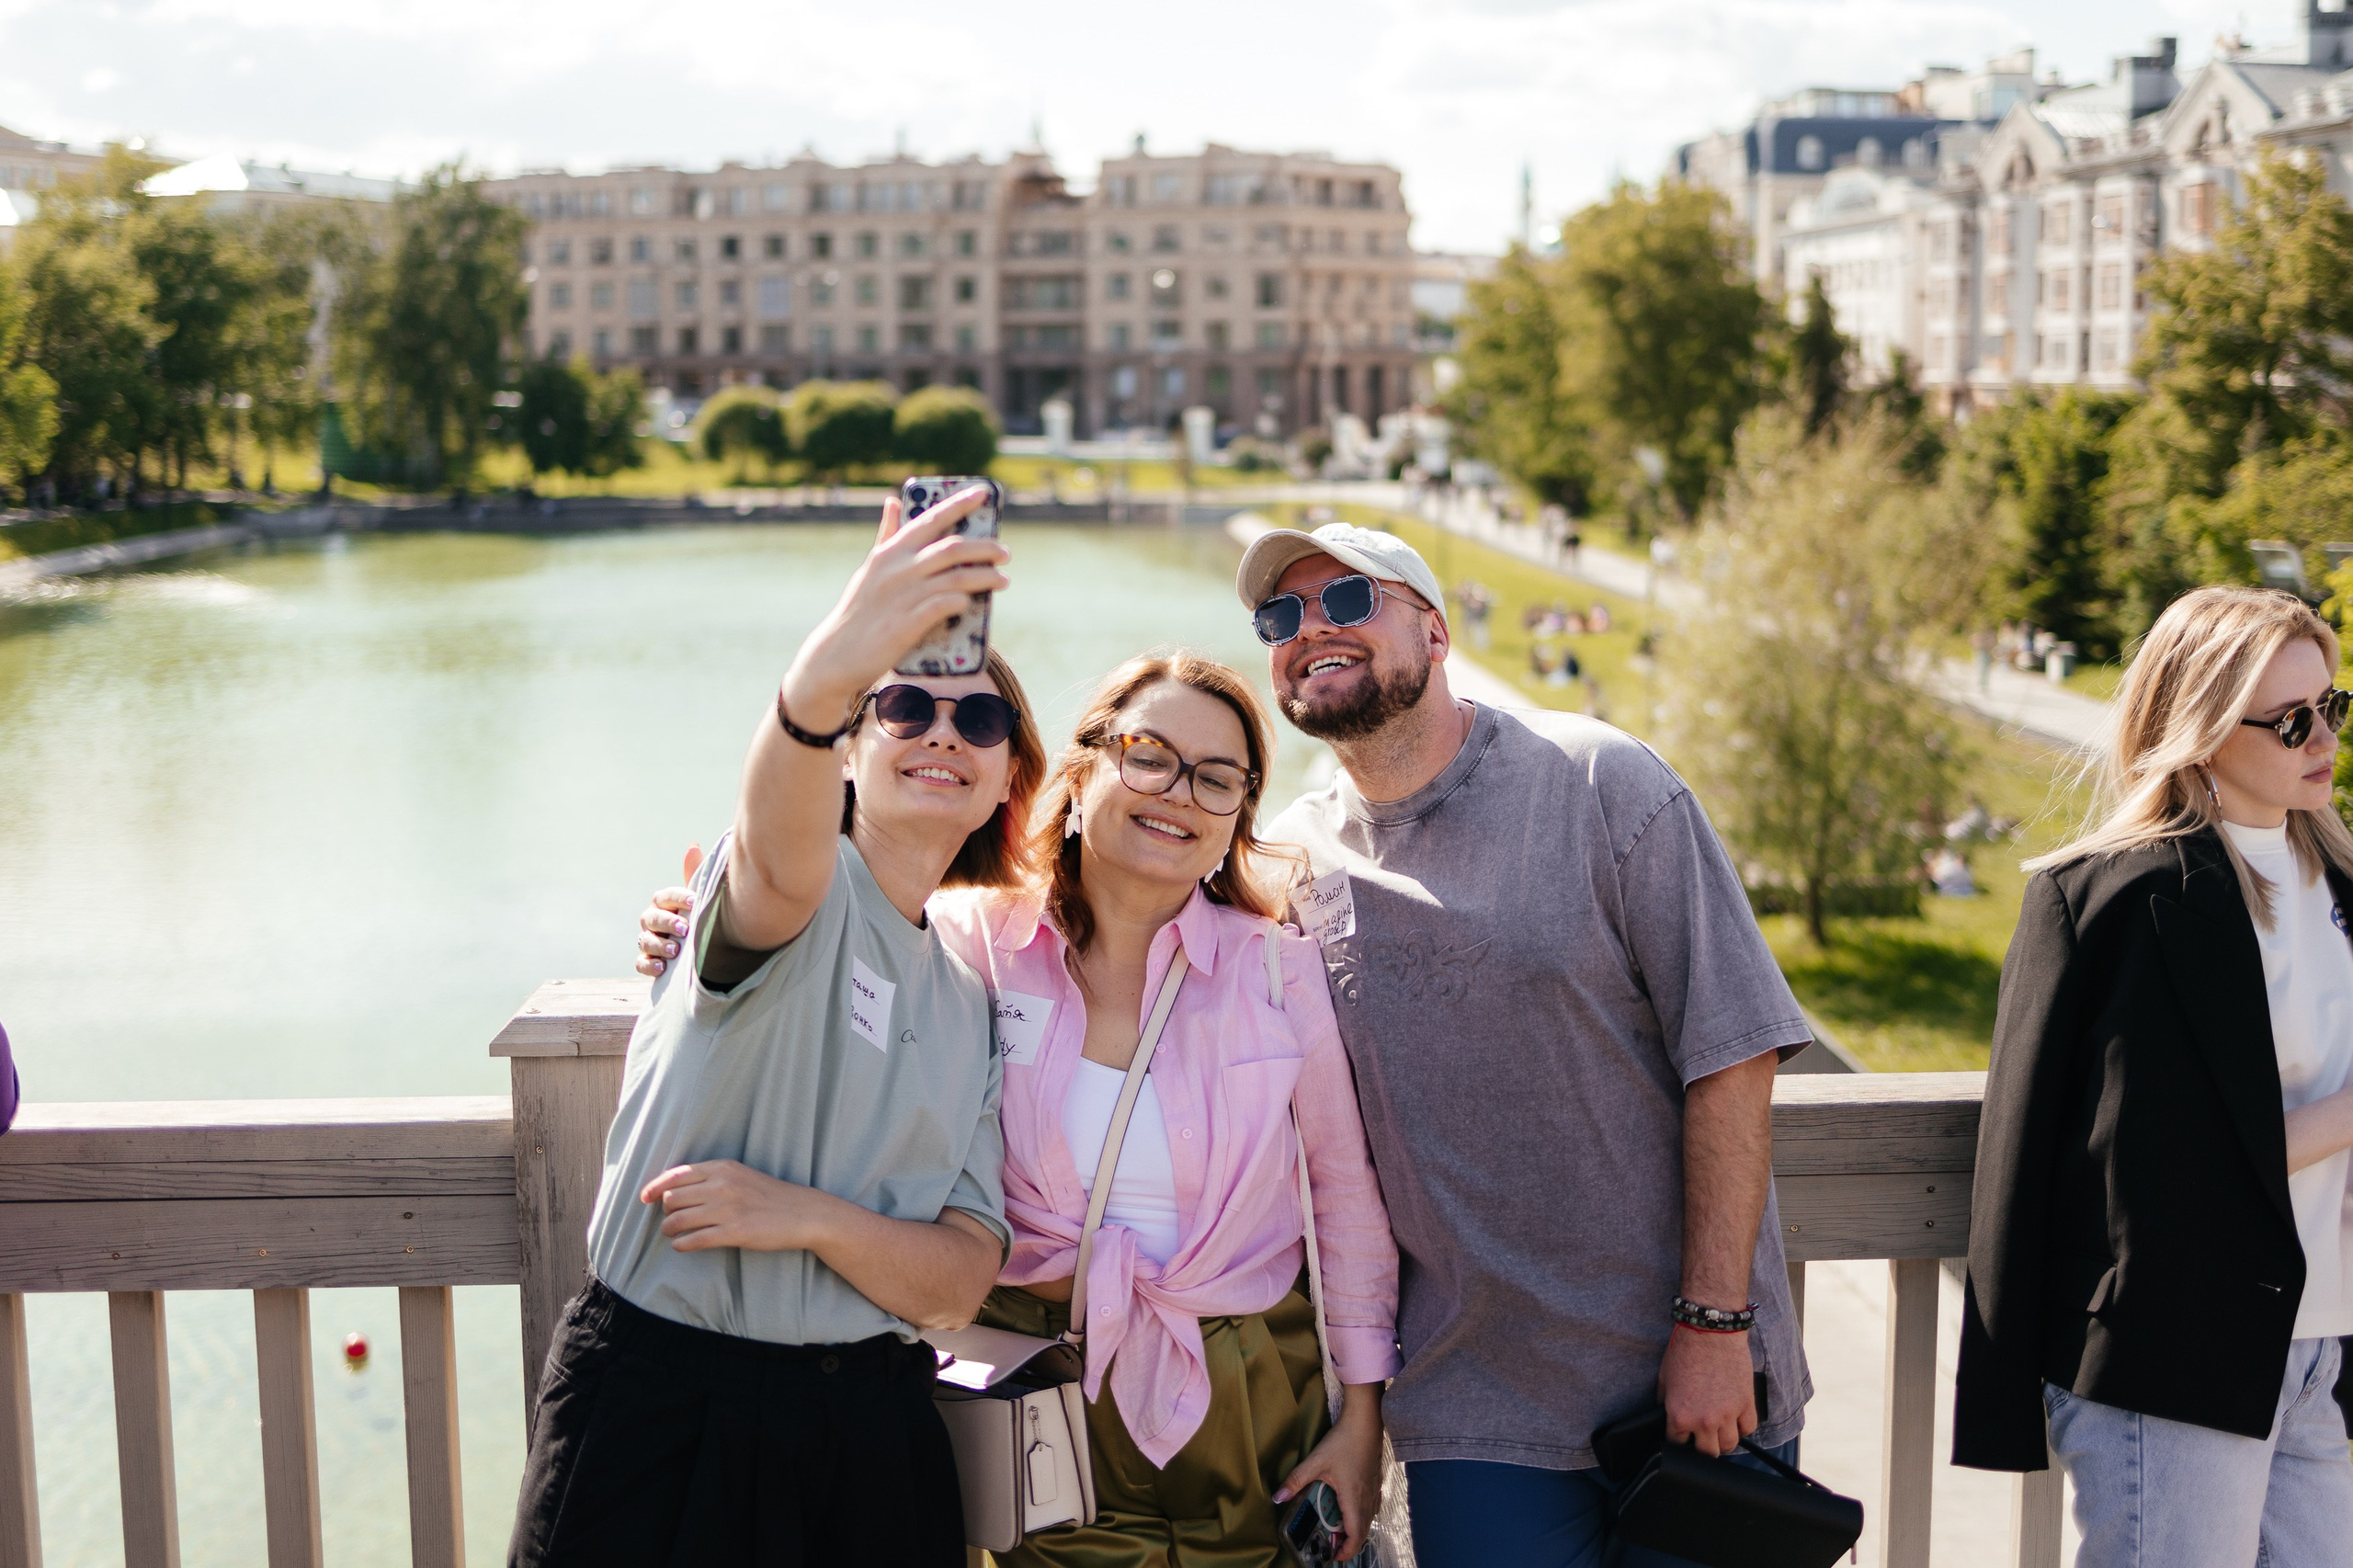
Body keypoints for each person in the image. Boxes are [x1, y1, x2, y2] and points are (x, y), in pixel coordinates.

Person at [642, 652, 1403, 1566]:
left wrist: (1361, 1420)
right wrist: (689, 921)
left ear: (1237, 814)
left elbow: (1344, 1198)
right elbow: (822, 923)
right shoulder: (972, 941)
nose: (1177, 793)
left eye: (1217, 778)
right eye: (1148, 754)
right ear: (1080, 776)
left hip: (1249, 1392)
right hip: (1039, 1384)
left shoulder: (1277, 968)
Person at [1235, 523, 1813, 1566]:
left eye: (1350, 600)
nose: (1311, 628)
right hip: (1472, 1406)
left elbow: (1732, 1051)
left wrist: (1717, 1325)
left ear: (1436, 629)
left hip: (1687, 1375)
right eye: (1280, 616)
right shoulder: (1285, 861)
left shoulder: (1602, 783)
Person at [511, 486, 1040, 1568]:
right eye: (903, 708)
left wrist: (805, 1216)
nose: (943, 732)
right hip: (668, 1408)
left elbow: (952, 1280)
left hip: (873, 1436)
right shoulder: (790, 888)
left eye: (978, 720)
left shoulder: (968, 1001)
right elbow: (775, 842)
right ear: (849, 747)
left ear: (1003, 782)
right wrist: (825, 674)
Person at [1955, 585, 2353, 1567]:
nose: (2320, 736)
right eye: (2289, 718)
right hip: (2174, 1354)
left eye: (2332, 706)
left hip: (2318, 1351)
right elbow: (2155, 1163)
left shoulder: (2339, 881)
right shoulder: (2113, 899)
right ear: (2203, 730)